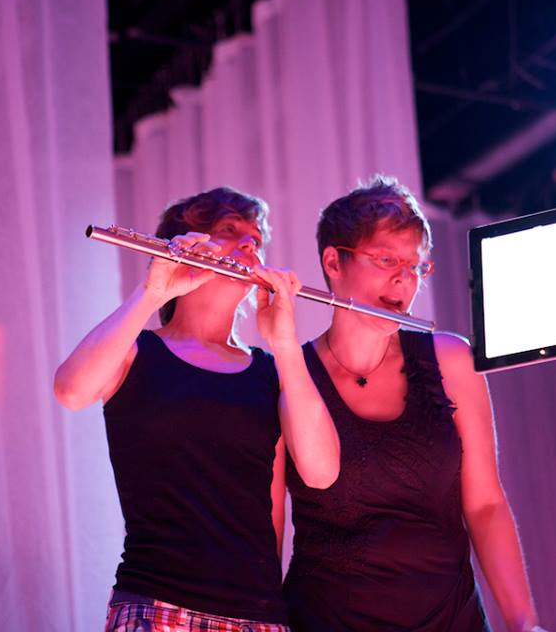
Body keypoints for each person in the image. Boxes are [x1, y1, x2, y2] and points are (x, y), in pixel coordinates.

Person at [53, 187, 340, 631]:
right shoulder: (136, 353)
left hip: (256, 617)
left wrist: (284, 343)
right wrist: (152, 290)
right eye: (229, 231)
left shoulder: (270, 372)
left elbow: (320, 472)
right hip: (155, 605)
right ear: (186, 245)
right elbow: (70, 391)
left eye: (256, 239)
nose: (249, 245)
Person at [284, 176, 542, 631]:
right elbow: (268, 530)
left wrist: (525, 623)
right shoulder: (289, 372)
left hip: (450, 619)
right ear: (333, 261)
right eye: (386, 259)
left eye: (416, 266)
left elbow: (485, 504)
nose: (404, 278)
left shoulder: (450, 359)